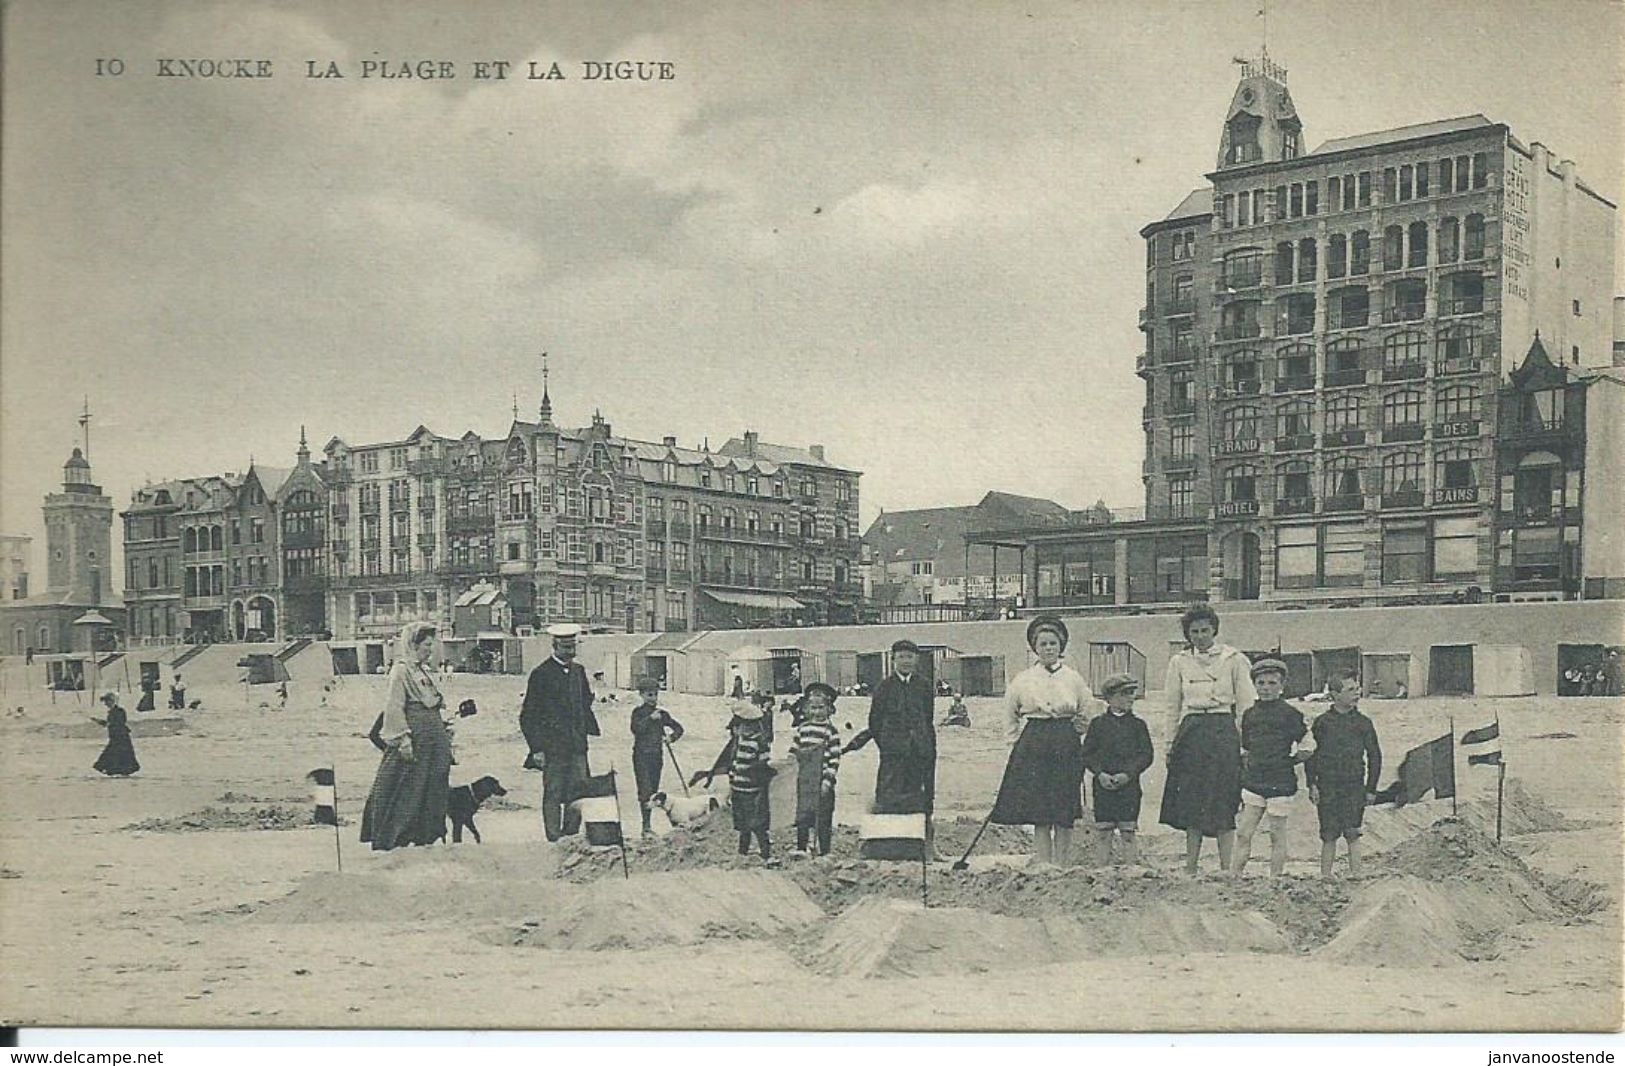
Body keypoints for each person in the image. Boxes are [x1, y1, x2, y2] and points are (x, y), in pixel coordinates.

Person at [1158, 603, 1256, 876]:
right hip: (1191, 734)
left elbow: (1247, 705)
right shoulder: (1179, 662)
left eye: (1205, 630)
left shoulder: (1234, 659)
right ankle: (1191, 866)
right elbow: (1172, 706)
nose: (1200, 636)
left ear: (1215, 630)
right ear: (1188, 635)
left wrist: (1244, 744)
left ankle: (1228, 867)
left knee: (1224, 798)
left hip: (1222, 730)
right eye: (1194, 632)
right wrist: (1169, 743)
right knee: (1191, 801)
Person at [990, 616, 1094, 866]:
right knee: (1041, 810)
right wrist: (1016, 744)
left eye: (1053, 644)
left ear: (1061, 647)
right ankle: (1045, 861)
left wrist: (1078, 729)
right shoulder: (1023, 679)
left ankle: (1062, 863)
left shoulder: (1073, 678)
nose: (1048, 649)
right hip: (1034, 741)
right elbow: (1010, 714)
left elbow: (1086, 708)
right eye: (1043, 644)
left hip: (1065, 741)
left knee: (1064, 807)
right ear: (1035, 648)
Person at [359, 622, 453, 851]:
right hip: (415, 740)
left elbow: (431, 703)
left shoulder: (422, 671)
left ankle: (426, 835)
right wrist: (402, 739)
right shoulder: (401, 671)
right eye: (426, 645)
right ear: (413, 644)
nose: (430, 650)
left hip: (433, 741)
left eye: (432, 645)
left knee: (434, 785)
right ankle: (396, 838)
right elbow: (394, 707)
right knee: (408, 788)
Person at [519, 623, 600, 842]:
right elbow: (528, 716)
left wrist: (587, 729)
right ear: (554, 646)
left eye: (573, 647)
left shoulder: (578, 671)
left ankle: (571, 836)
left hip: (577, 746)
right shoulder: (540, 674)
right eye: (565, 647)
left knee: (578, 792)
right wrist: (536, 749)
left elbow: (584, 704)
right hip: (552, 748)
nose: (570, 651)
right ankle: (554, 838)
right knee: (553, 793)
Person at [1231, 659, 1307, 878]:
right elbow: (1246, 747)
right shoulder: (1249, 714)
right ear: (1254, 684)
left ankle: (1274, 879)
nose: (1266, 688)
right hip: (1254, 781)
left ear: (1282, 686)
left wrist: (1292, 760)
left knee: (1276, 834)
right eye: (1261, 683)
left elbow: (1307, 743)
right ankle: (1235, 876)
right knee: (1244, 833)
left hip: (1281, 783)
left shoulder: (1290, 714)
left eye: (1272, 683)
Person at [858, 639, 937, 846]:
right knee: (888, 795)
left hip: (919, 751)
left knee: (921, 796)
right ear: (893, 660)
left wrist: (924, 745)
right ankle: (885, 844)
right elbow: (874, 722)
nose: (906, 661)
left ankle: (923, 846)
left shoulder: (924, 686)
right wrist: (888, 745)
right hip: (893, 753)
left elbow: (928, 718)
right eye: (901, 657)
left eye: (910, 657)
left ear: (916, 660)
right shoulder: (884, 687)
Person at [1305, 670, 1381, 879]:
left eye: (1357, 689)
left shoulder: (1363, 723)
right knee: (1329, 834)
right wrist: (1312, 784)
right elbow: (1311, 755)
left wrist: (1371, 788)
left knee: (1353, 831)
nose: (1357, 693)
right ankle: (1325, 876)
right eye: (1350, 690)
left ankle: (1356, 874)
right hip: (1328, 786)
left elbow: (1375, 756)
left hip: (1354, 786)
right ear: (1335, 695)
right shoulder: (1322, 723)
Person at [1080, 673, 1153, 865]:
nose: (1130, 698)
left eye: (1132, 693)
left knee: (1128, 833)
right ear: (1110, 698)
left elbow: (1146, 755)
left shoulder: (1138, 726)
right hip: (1103, 788)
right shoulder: (1098, 725)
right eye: (1124, 693)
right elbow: (1087, 754)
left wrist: (1128, 774)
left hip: (1129, 788)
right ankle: (1101, 874)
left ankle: (1132, 873)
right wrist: (1100, 774)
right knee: (1104, 833)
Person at [694, 698, 775, 864]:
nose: (739, 730)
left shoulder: (760, 743)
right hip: (739, 788)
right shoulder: (739, 742)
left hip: (753, 790)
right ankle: (742, 853)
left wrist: (753, 773)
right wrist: (732, 781)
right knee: (742, 824)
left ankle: (766, 853)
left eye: (743, 726)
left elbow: (764, 766)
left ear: (753, 725)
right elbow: (734, 764)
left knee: (758, 824)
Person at [792, 682, 842, 857]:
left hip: (822, 782)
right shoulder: (802, 729)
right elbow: (794, 755)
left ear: (829, 709)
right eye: (813, 708)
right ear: (806, 708)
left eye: (821, 708)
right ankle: (801, 847)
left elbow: (835, 759)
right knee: (803, 816)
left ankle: (825, 851)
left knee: (823, 818)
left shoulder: (831, 732)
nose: (817, 712)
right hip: (805, 782)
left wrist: (827, 781)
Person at [630, 675, 684, 838]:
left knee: (654, 792)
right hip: (641, 757)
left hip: (656, 757)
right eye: (649, 695)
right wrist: (649, 719)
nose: (653, 698)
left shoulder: (662, 714)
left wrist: (671, 738)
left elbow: (679, 728)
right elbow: (635, 729)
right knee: (645, 791)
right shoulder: (638, 712)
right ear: (641, 695)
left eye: (655, 694)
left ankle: (665, 824)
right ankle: (645, 827)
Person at [91, 692, 140, 777]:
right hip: (116, 737)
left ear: (112, 701)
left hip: (121, 737)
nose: (106, 704)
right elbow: (109, 724)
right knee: (114, 754)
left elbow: (119, 722)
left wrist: (109, 724)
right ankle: (116, 771)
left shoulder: (120, 711)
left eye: (107, 701)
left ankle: (118, 771)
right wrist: (98, 721)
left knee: (115, 754)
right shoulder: (112, 712)